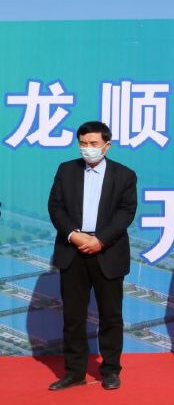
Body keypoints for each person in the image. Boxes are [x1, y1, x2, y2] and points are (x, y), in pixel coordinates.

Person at [47, 121, 138, 391]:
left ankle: (110, 371)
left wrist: (100, 240)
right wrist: (74, 235)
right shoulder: (66, 170)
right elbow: (55, 207)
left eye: (93, 144)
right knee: (73, 317)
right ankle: (75, 372)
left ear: (106, 146)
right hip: (72, 250)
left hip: (107, 251)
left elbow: (126, 212)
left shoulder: (124, 175)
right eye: (83, 143)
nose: (88, 149)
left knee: (111, 316)